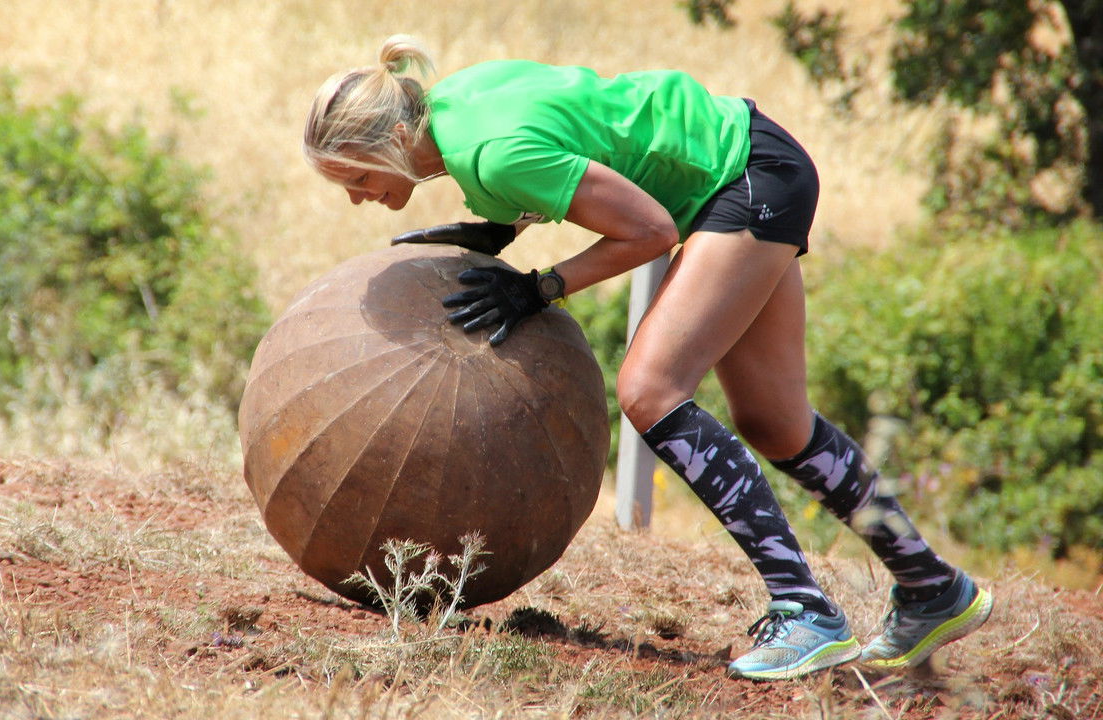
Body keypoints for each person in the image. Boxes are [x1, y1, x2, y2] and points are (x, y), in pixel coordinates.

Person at [302, 35, 993, 681]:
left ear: (395, 140)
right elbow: (571, 138)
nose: (358, 198)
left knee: (649, 389)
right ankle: (932, 587)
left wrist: (540, 288)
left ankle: (804, 609)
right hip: (754, 160)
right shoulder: (457, 101)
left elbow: (650, 231)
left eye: (357, 177)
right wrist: (498, 227)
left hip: (744, 181)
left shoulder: (490, 152)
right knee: (776, 420)